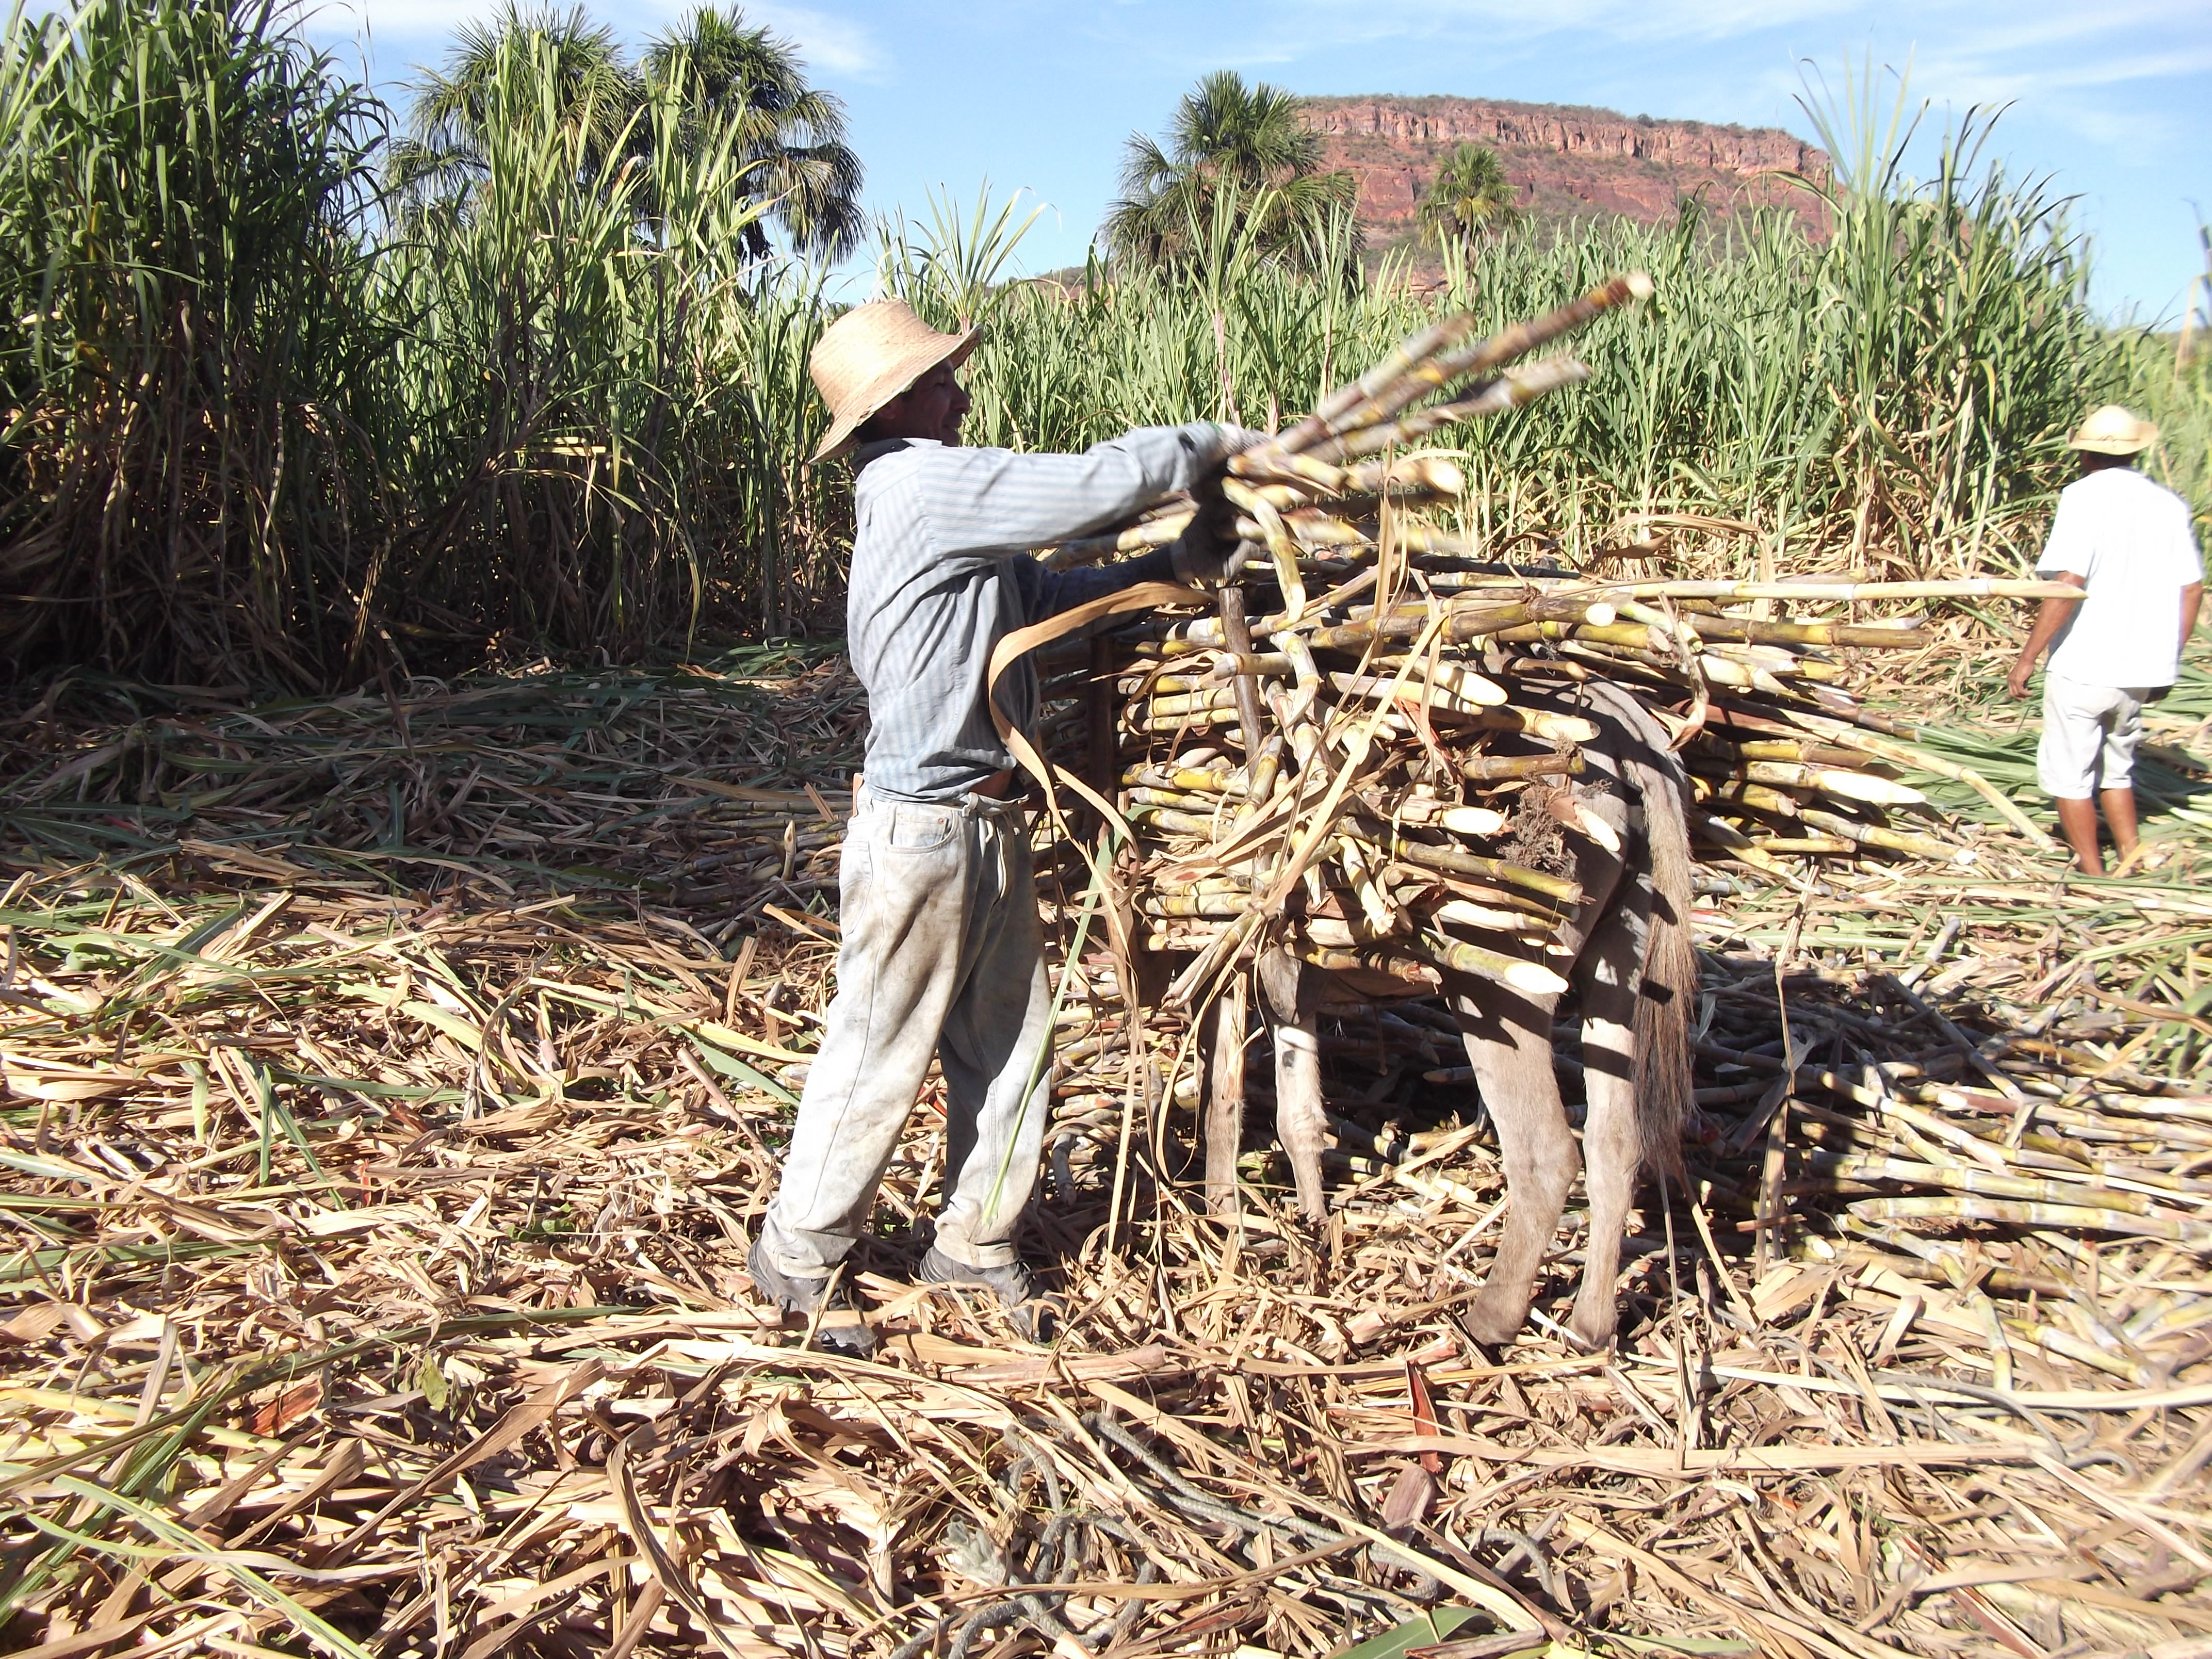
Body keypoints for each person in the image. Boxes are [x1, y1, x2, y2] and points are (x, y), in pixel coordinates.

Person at [746, 300, 1254, 1355]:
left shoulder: (946, 517)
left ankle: (972, 1248)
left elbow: (1049, 593)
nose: (961, 393)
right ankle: (798, 1255)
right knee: (881, 1045)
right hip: (922, 828)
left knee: (1010, 1047)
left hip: (984, 821)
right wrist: (1207, 449)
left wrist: (1179, 564)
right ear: (897, 405)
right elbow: (1086, 485)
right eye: (942, 380)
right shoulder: (920, 484)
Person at [2008, 404, 2204, 874]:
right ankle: (2131, 855)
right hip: (2140, 670)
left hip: (2085, 664)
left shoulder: (2082, 498)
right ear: (2136, 452)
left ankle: (2094, 874)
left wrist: (2028, 657)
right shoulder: (2169, 504)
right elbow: (2192, 588)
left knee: (2071, 775)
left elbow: (2069, 582)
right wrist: (2167, 661)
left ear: (2087, 456)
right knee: (2119, 768)